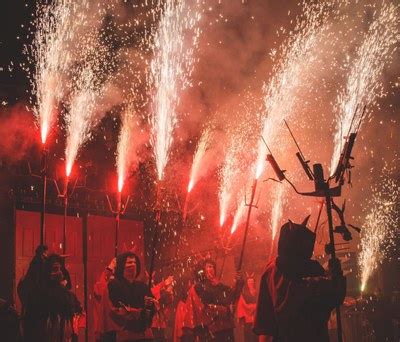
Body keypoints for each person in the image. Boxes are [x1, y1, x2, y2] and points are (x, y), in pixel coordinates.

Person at [253, 218, 346, 342]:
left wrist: (335, 275)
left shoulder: (273, 269)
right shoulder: (277, 269)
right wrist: (334, 278)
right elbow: (332, 295)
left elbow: (332, 297)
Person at [23, 254, 83, 342]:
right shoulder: (38, 294)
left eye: (60, 269)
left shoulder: (66, 294)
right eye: (55, 269)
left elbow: (75, 310)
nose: (59, 272)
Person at [184, 258, 244, 341]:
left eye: (212, 267)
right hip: (212, 330)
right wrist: (226, 310)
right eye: (208, 267)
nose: (210, 269)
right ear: (203, 270)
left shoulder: (219, 286)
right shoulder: (199, 286)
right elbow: (206, 307)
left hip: (226, 327)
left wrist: (239, 283)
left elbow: (232, 297)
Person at [107, 252, 156, 341]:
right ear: (122, 265)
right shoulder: (114, 285)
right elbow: (119, 310)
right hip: (125, 335)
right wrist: (140, 312)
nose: (133, 265)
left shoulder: (143, 286)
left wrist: (149, 306)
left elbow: (151, 310)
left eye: (135, 262)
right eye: (129, 262)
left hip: (144, 336)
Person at [151, 276, 174, 341]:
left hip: (160, 322)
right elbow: (158, 300)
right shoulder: (156, 290)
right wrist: (166, 291)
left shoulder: (162, 290)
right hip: (155, 323)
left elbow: (166, 301)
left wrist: (168, 291)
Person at [237, 275, 257, 342]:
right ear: (247, 283)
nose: (251, 283)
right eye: (249, 282)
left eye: (252, 282)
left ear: (254, 283)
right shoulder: (244, 295)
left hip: (257, 321)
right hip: (248, 322)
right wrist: (255, 307)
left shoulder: (258, 293)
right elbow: (242, 307)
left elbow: (262, 305)